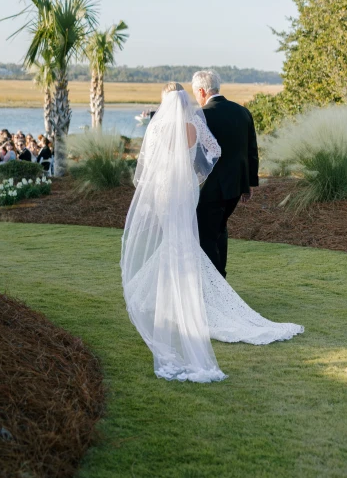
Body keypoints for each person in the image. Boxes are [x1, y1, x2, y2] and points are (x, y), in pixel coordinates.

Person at [120, 82, 303, 384]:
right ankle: (183, 298)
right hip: (187, 190)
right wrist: (196, 175)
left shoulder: (159, 126)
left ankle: (178, 303)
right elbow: (214, 150)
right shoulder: (194, 121)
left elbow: (148, 166)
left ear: (166, 102)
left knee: (175, 242)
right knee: (183, 241)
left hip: (167, 190)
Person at [192, 70, 259, 279]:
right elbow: (251, 151)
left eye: (195, 93)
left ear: (202, 91)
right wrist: (249, 184)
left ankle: (216, 285)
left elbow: (196, 155)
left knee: (206, 236)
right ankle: (220, 279)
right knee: (220, 229)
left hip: (211, 187)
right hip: (236, 187)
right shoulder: (242, 111)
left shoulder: (200, 115)